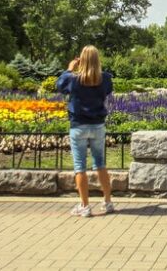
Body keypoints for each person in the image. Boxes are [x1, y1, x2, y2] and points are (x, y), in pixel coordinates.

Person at [56, 45, 114, 217]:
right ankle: (108, 202)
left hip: (79, 125)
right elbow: (107, 90)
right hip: (97, 125)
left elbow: (60, 85)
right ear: (97, 60)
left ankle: (85, 206)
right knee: (100, 164)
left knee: (79, 166)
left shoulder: (73, 79)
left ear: (82, 60)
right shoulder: (105, 78)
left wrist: (70, 68)